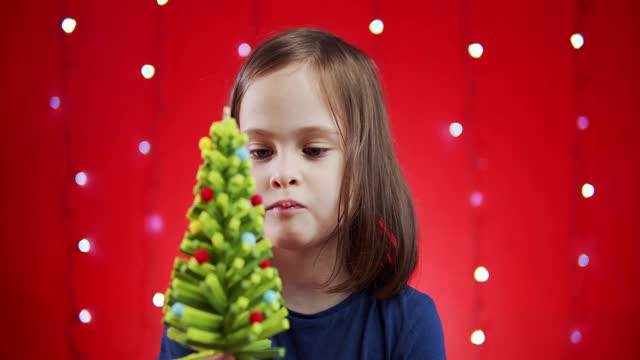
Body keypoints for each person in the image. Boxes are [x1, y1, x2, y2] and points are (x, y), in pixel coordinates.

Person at [158, 27, 446, 360]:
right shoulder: (203, 314)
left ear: (365, 164)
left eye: (313, 150)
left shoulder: (408, 323)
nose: (282, 175)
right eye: (261, 152)